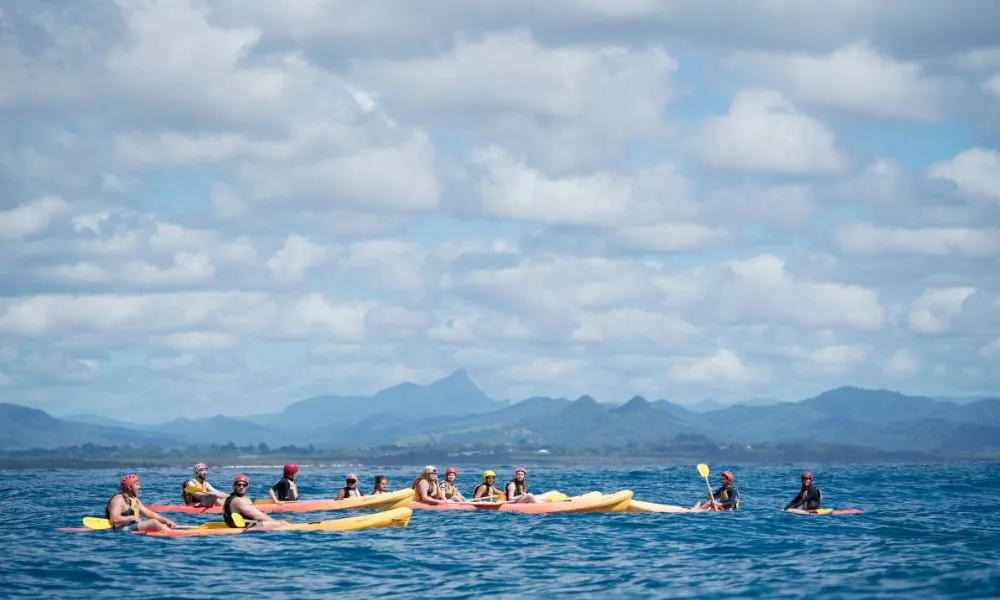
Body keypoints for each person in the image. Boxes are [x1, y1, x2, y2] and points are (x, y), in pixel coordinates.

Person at [107, 474, 176, 532]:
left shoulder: (134, 500)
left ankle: (168, 530)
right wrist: (132, 518)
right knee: (153, 523)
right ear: (130, 487)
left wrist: (166, 521)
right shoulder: (118, 500)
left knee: (154, 522)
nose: (139, 487)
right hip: (119, 530)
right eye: (137, 485)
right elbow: (114, 519)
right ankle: (172, 533)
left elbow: (149, 514)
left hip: (130, 527)